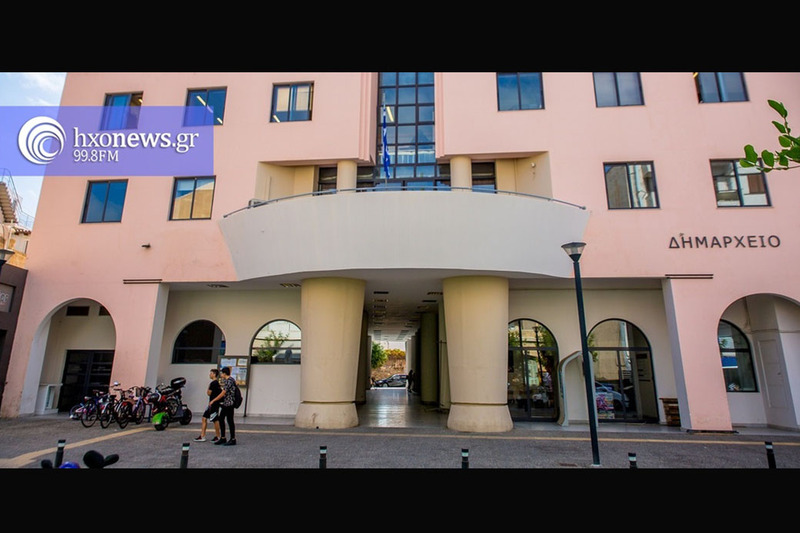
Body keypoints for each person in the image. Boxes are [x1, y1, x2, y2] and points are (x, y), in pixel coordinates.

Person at [194, 368, 222, 442]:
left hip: (213, 404)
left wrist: (208, 387)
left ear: (214, 374)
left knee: (215, 419)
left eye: (211, 373)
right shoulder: (217, 383)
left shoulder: (213, 383)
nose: (210, 375)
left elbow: (209, 393)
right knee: (204, 418)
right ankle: (202, 435)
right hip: (212, 404)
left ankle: (218, 436)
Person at [211, 366, 237, 446]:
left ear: (225, 373)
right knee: (225, 419)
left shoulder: (229, 381)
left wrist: (214, 400)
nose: (221, 375)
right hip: (228, 403)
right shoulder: (231, 380)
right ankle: (225, 437)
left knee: (227, 420)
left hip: (228, 404)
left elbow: (223, 393)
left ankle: (230, 438)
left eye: (222, 373)